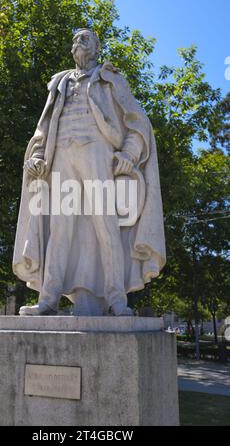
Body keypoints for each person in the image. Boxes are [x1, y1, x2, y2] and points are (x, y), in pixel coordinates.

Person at [13, 29, 166, 316]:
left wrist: (130, 154)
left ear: (97, 48)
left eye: (86, 39)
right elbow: (43, 128)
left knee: (105, 226)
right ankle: (48, 298)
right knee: (59, 230)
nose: (78, 42)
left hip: (98, 152)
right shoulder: (59, 83)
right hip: (61, 156)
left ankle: (116, 298)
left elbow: (138, 122)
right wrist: (36, 154)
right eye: (75, 39)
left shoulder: (110, 79)